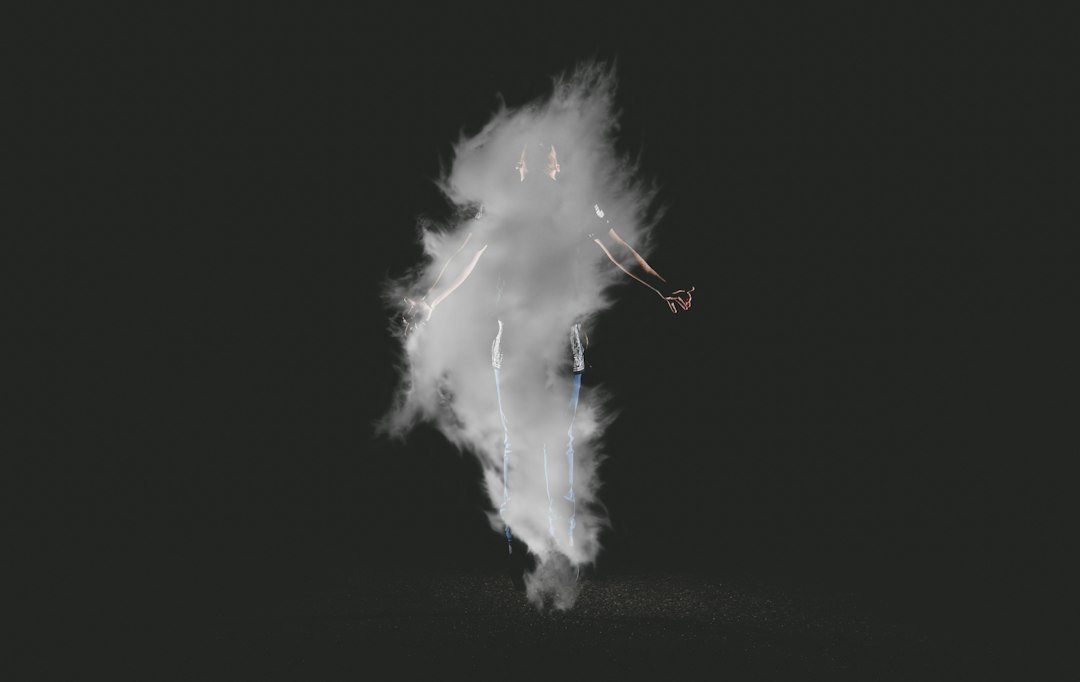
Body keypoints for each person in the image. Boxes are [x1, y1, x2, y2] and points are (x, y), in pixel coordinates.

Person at [401, 143, 693, 577]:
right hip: (515, 347)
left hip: (561, 344)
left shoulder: (577, 208)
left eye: (548, 162)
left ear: (558, 167)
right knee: (515, 442)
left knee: (560, 441)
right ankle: (521, 542)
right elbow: (464, 257)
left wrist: (662, 285)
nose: (538, 169)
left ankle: (561, 543)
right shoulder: (502, 208)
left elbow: (621, 252)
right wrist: (430, 300)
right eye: (528, 162)